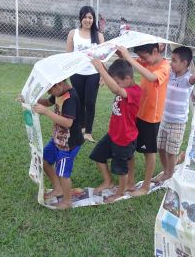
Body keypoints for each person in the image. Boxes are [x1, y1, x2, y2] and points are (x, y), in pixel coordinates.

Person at [115, 43, 171, 196]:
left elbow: (152, 77)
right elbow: (128, 61)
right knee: (130, 148)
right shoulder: (146, 61)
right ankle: (130, 181)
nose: (142, 60)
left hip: (151, 118)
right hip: (138, 113)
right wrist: (121, 52)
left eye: (144, 56)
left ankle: (145, 186)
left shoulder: (165, 66)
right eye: (140, 57)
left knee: (149, 152)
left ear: (155, 51)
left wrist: (129, 58)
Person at [89, 58, 142, 203]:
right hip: (113, 134)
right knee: (97, 155)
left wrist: (101, 70)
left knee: (121, 168)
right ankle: (108, 182)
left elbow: (116, 89)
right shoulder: (124, 84)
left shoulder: (135, 92)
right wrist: (104, 68)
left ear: (128, 78)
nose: (115, 84)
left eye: (117, 81)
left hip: (124, 138)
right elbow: (116, 86)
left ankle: (120, 192)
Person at [152, 47, 195, 183]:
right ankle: (168, 171)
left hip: (178, 122)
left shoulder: (187, 79)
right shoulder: (170, 74)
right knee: (160, 148)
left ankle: (168, 175)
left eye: (174, 60)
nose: (171, 63)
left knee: (171, 151)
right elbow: (159, 64)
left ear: (185, 63)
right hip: (164, 119)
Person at [32, 80, 84, 209]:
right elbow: (47, 102)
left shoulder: (70, 97)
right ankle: (58, 188)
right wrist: (31, 99)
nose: (50, 93)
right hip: (57, 139)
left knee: (63, 174)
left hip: (68, 144)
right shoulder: (58, 93)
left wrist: (46, 112)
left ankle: (67, 201)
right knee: (44, 161)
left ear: (59, 84)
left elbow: (68, 123)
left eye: (51, 90)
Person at [66, 6, 105, 143]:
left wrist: (102, 75)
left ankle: (88, 132)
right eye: (85, 17)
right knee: (79, 101)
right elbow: (68, 55)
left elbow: (102, 58)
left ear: (93, 19)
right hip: (76, 73)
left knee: (90, 102)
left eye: (90, 17)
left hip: (92, 73)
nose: (88, 20)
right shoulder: (73, 33)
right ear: (80, 18)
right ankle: (81, 127)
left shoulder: (99, 36)